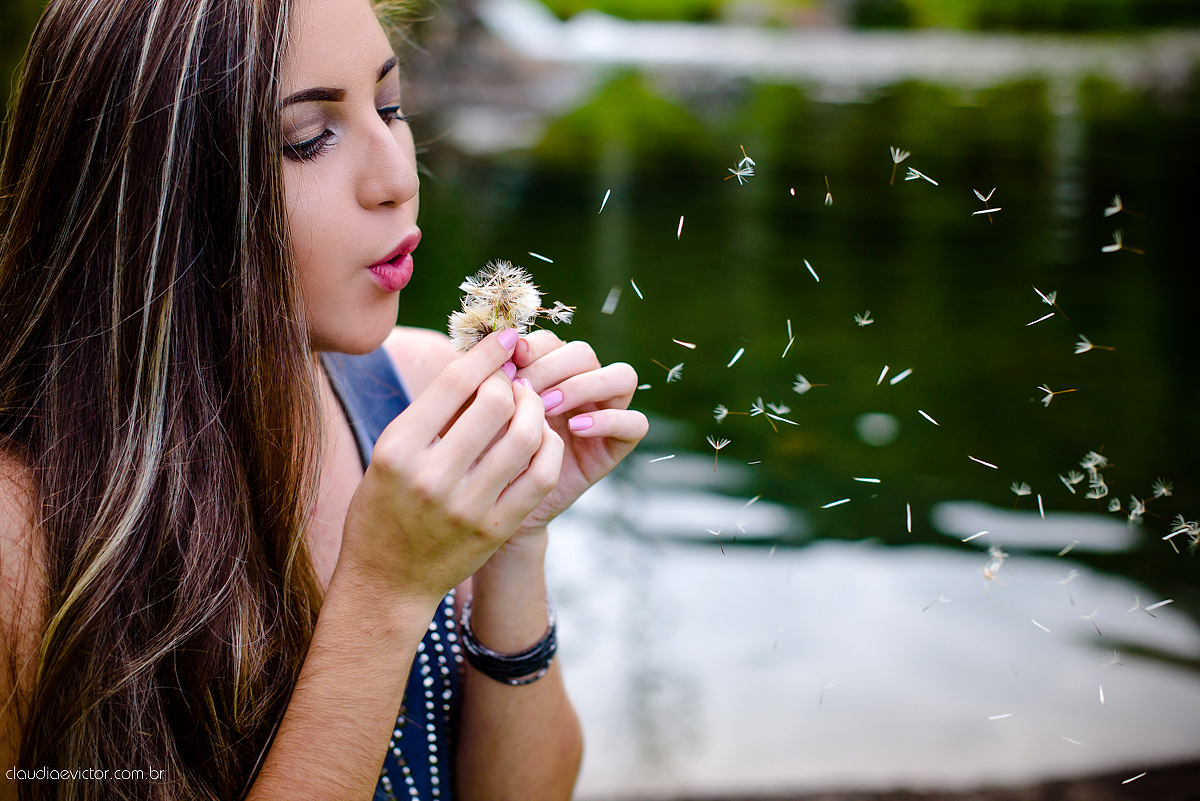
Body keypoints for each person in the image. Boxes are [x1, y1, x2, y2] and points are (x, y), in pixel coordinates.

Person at [0, 0, 647, 798]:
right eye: (308, 139)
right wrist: (383, 594)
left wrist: (513, 539)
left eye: (391, 107)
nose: (399, 178)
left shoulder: (418, 405)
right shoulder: (23, 538)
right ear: (159, 197)